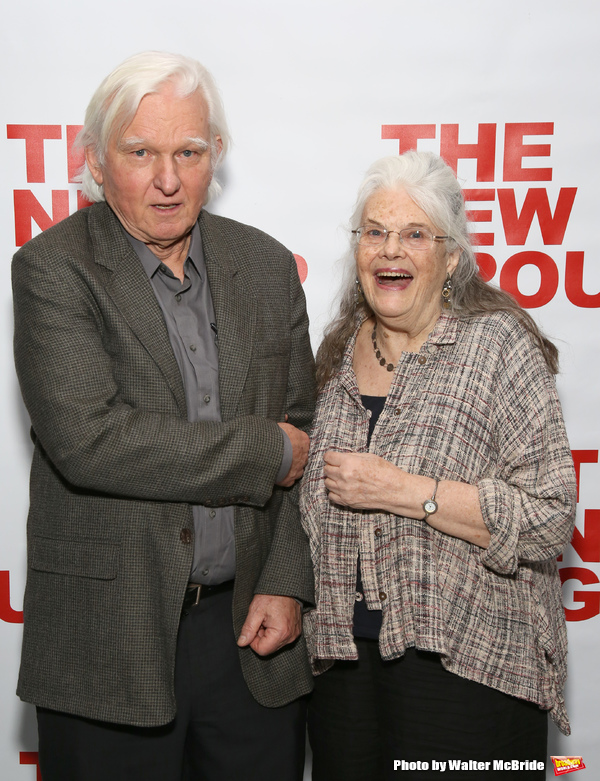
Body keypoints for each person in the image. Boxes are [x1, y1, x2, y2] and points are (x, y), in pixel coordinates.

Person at [12, 51, 315, 781]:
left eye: (189, 151)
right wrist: (261, 450)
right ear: (95, 160)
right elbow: (92, 439)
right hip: (105, 639)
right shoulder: (53, 268)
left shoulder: (268, 265)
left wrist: (286, 579)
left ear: (217, 155)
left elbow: (308, 427)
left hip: (250, 634)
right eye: (140, 152)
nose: (169, 179)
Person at [299, 151, 576, 780]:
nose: (390, 251)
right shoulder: (334, 358)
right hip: (343, 674)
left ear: (451, 257)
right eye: (375, 232)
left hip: (472, 668)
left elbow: (550, 517)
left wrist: (406, 492)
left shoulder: (499, 346)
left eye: (415, 234)